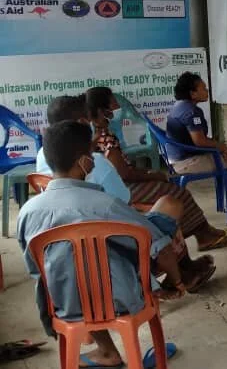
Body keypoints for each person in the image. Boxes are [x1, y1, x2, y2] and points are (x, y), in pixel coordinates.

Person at [18, 121, 215, 367]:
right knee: (122, 258)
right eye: (91, 154)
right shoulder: (106, 204)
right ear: (83, 162)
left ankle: (106, 352)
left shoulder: (27, 212)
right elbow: (160, 248)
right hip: (120, 302)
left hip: (63, 304)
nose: (94, 159)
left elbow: (36, 270)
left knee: (77, 273)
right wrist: (176, 282)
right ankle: (131, 350)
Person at [85, 87, 227, 251]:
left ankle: (203, 232)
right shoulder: (105, 138)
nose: (118, 107)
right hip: (123, 189)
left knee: (171, 187)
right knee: (177, 193)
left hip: (110, 187)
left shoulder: (92, 132)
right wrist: (152, 175)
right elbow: (124, 174)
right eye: (114, 103)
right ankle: (202, 235)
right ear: (103, 110)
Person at [165, 71, 227, 203]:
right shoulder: (191, 112)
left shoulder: (178, 106)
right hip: (186, 163)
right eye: (204, 88)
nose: (207, 91)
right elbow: (200, 141)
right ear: (193, 93)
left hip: (176, 160)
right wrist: (222, 148)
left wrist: (219, 148)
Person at [35, 95, 131, 204]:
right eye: (89, 119)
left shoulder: (42, 154)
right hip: (98, 213)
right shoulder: (95, 162)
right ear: (82, 122)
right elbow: (124, 199)